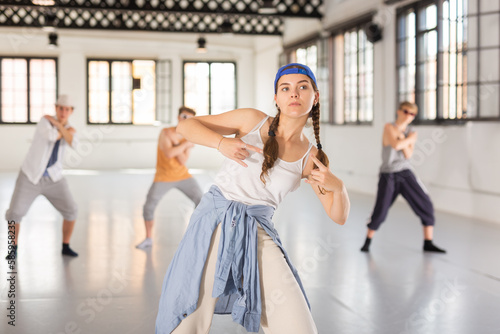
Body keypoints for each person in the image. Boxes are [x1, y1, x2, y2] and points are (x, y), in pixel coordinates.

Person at [155, 63, 350, 334]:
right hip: (214, 220)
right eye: (286, 88)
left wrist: (338, 186)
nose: (294, 94)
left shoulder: (312, 157)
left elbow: (338, 216)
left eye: (302, 87)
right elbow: (186, 126)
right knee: (188, 318)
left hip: (257, 231)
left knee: (299, 326)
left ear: (315, 97)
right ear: (277, 98)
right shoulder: (251, 120)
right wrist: (222, 143)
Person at [360, 101, 446, 253]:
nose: (408, 116)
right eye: (406, 112)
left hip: (405, 173)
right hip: (388, 174)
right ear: (399, 111)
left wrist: (401, 138)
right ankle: (367, 241)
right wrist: (407, 140)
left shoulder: (412, 131)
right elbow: (396, 146)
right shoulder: (389, 127)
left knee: (426, 204)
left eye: (412, 114)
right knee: (380, 210)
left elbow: (408, 154)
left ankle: (428, 242)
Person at [5, 94, 79, 259]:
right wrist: (64, 130)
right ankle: (13, 248)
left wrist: (60, 127)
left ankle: (65, 246)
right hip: (31, 176)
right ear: (56, 108)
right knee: (14, 213)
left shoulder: (62, 125)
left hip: (54, 178)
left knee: (72, 210)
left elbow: (74, 143)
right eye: (60, 108)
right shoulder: (45, 122)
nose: (63, 112)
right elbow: (53, 137)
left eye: (67, 109)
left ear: (71, 111)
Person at [136, 106, 203, 250]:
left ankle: (196, 234)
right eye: (184, 116)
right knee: (149, 206)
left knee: (201, 200)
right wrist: (183, 144)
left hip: (183, 175)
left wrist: (178, 142)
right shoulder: (165, 132)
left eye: (190, 119)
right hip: (163, 176)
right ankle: (148, 238)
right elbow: (169, 153)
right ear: (178, 117)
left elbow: (183, 160)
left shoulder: (186, 136)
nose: (186, 120)